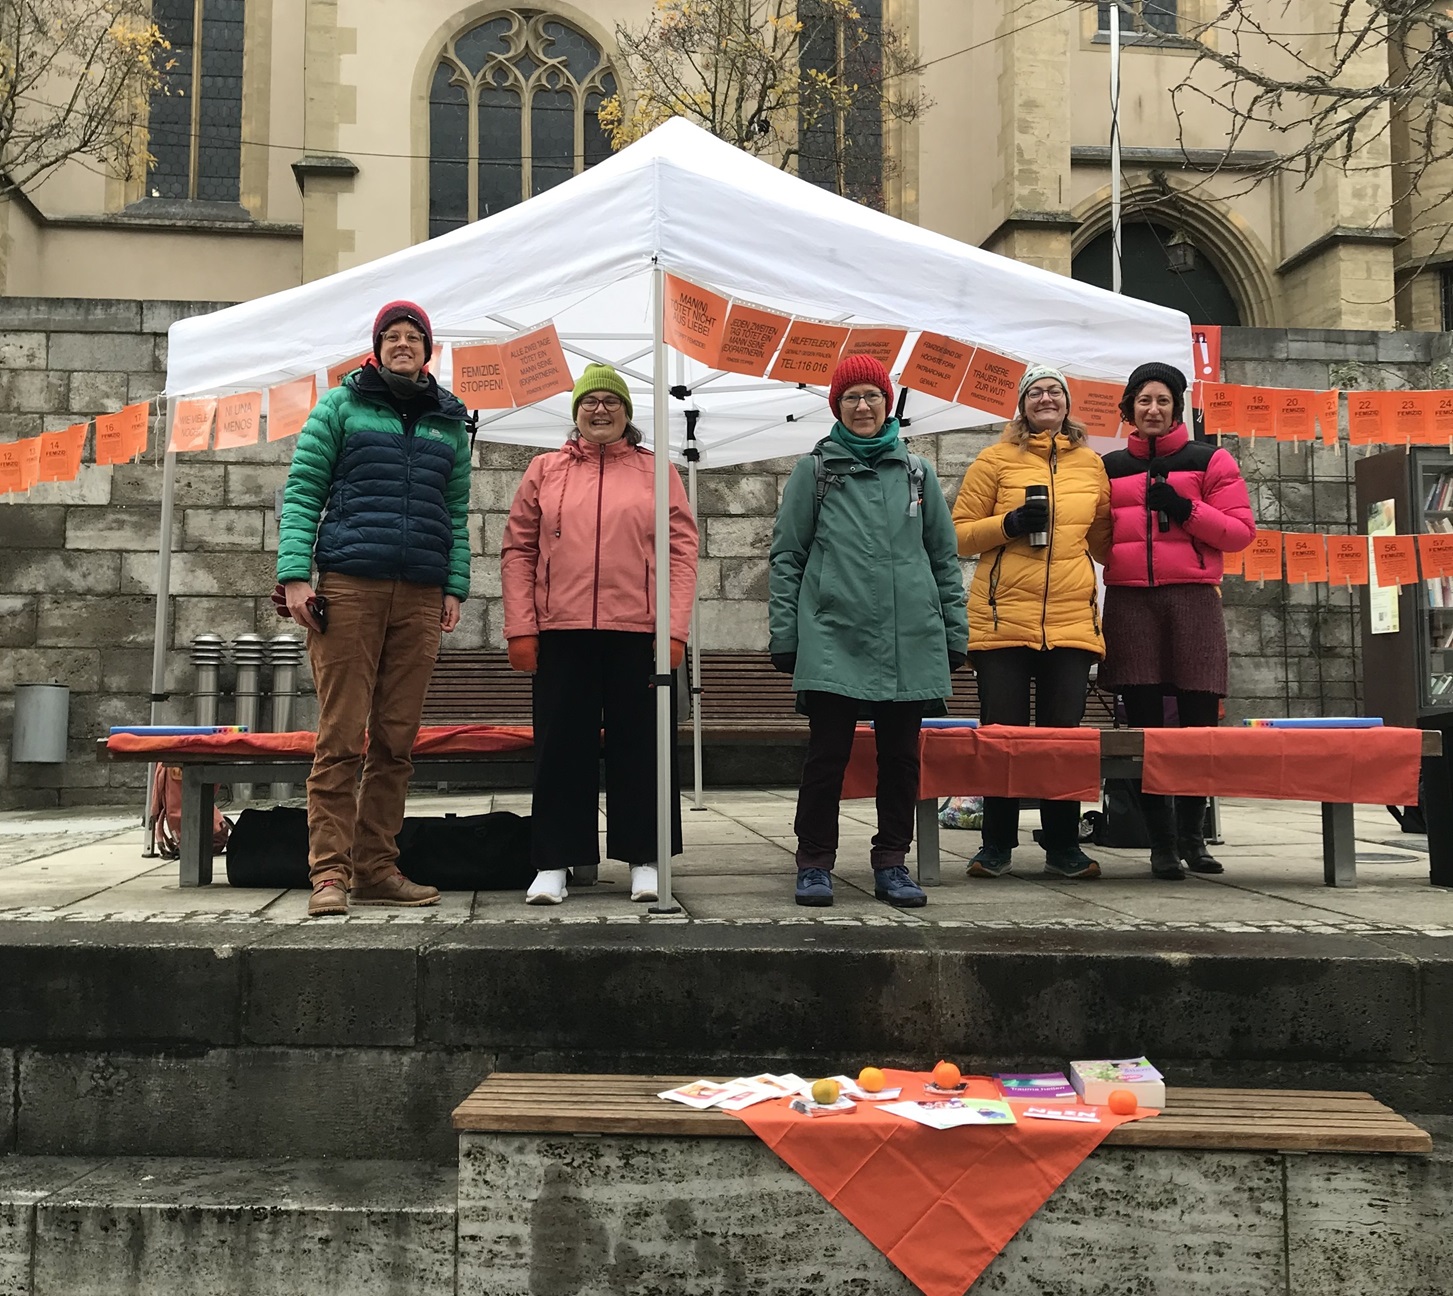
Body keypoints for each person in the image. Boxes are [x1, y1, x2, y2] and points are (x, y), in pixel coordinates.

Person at [277, 300, 471, 917]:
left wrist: (454, 585)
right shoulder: (340, 405)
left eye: (414, 337)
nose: (403, 344)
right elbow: (304, 491)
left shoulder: (450, 420)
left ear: (428, 350)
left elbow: (458, 512)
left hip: (419, 595)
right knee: (339, 738)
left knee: (396, 742)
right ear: (376, 346)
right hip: (350, 587)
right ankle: (329, 876)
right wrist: (294, 579)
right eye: (393, 336)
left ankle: (377, 869)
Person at [768, 353, 968, 909]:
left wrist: (954, 631)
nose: (862, 405)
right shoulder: (815, 470)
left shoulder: (917, 472)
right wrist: (786, 633)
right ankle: (813, 862)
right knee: (827, 755)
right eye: (851, 396)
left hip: (909, 636)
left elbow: (943, 558)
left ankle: (892, 862)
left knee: (900, 758)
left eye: (872, 396)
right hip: (834, 632)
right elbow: (788, 555)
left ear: (888, 405)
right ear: (837, 405)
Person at [501, 362, 699, 906]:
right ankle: (554, 862)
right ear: (576, 412)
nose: (600, 409)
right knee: (561, 747)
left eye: (612, 401)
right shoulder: (545, 470)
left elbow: (681, 552)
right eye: (590, 401)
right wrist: (522, 626)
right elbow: (518, 550)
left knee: (645, 748)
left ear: (628, 413)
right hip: (562, 630)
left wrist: (673, 628)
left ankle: (646, 857)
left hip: (638, 633)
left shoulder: (658, 472)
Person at [951, 365, 1112, 880]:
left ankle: (1063, 845)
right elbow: (956, 535)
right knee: (1002, 737)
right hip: (1002, 623)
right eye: (1036, 392)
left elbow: (1107, 541)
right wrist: (1008, 525)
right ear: (1022, 405)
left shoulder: (1092, 464)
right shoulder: (994, 460)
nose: (1046, 398)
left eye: (1055, 391)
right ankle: (995, 844)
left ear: (1067, 404)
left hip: (1070, 623)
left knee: (1062, 741)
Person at [1100, 362, 1255, 879]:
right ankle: (1160, 843)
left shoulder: (1210, 460)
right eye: (1143, 400)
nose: (1153, 409)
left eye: (1163, 400)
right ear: (1129, 407)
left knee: (1197, 727)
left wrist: (1185, 510)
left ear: (1177, 407)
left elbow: (1239, 534)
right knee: (1144, 728)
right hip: (1131, 603)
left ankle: (1194, 836)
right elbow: (1093, 532)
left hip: (1193, 599)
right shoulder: (1110, 466)